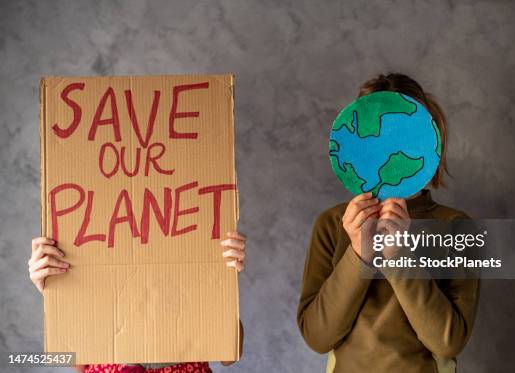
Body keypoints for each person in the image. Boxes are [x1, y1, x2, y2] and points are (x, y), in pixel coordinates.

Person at [297, 73, 480, 373]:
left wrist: (398, 256)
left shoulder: (456, 227)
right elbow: (318, 337)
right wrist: (358, 254)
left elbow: (449, 341)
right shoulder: (332, 225)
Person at [28, 231, 247, 373]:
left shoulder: (185, 251)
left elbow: (229, 355)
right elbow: (77, 361)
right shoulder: (92, 253)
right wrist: (57, 293)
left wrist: (222, 282)